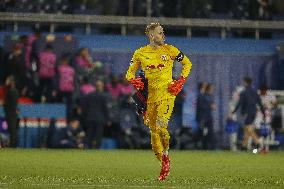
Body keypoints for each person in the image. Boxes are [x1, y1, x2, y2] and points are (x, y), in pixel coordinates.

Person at [125, 22, 192, 181]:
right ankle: (163, 162)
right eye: (160, 33)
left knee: (162, 126)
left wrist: (181, 81)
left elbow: (187, 63)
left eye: (163, 32)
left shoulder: (170, 50)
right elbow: (129, 73)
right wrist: (133, 81)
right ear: (151, 35)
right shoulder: (140, 53)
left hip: (167, 94)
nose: (163, 35)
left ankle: (166, 154)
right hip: (150, 98)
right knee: (154, 132)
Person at [232, 77, 265, 151]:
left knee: (248, 127)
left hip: (247, 113)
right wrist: (263, 113)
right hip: (254, 112)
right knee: (246, 129)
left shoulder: (244, 92)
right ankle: (243, 146)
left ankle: (257, 142)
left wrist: (233, 112)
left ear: (245, 82)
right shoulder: (254, 92)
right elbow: (260, 103)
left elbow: (239, 103)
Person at [81, 80, 110, 149]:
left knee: (89, 134)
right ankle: (97, 147)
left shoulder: (89, 95)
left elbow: (85, 108)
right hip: (100, 119)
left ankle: (88, 146)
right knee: (98, 135)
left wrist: (84, 117)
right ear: (100, 87)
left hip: (90, 118)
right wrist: (108, 119)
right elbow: (105, 109)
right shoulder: (103, 96)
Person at [3, 75, 19, 148]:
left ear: (11, 82)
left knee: (12, 130)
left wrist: (3, 103)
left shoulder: (12, 91)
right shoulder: (13, 90)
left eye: (8, 80)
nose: (6, 82)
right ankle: (13, 145)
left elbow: (11, 103)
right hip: (11, 112)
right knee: (12, 130)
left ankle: (13, 146)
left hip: (11, 113)